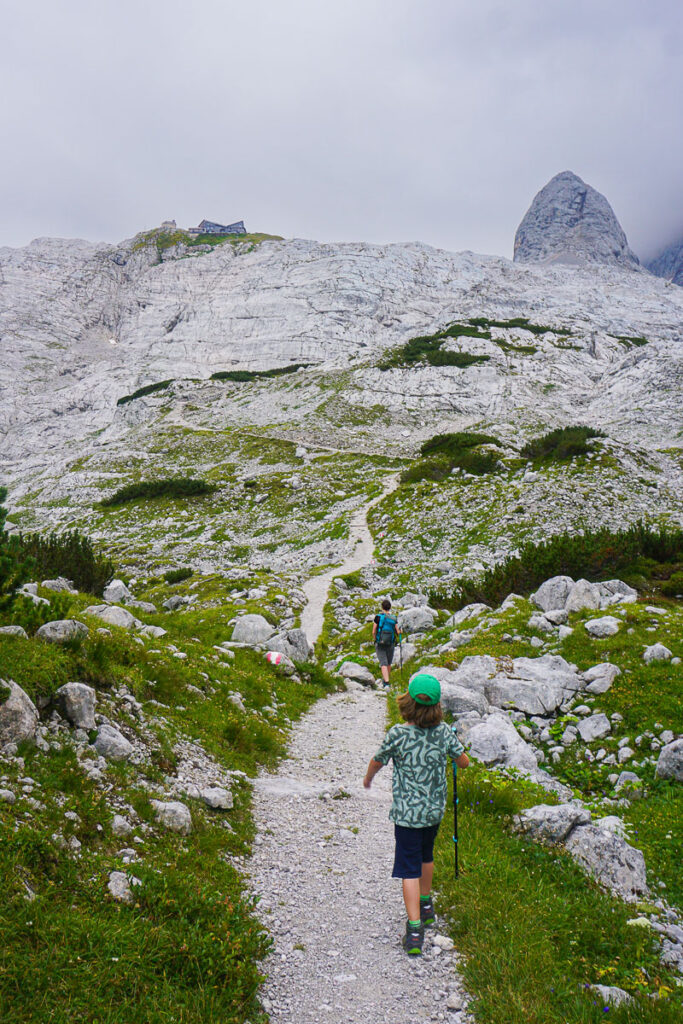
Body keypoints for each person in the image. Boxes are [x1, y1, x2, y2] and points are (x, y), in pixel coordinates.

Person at [363, 672, 470, 956]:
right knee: (427, 855)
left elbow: (378, 760)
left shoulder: (397, 734)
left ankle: (413, 931)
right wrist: (456, 750)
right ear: (437, 707)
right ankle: (426, 905)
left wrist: (368, 779)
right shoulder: (444, 732)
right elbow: (464, 762)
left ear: (407, 701)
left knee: (408, 869)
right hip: (433, 812)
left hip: (407, 815)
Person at [372, 598, 399, 688]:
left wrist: (376, 639)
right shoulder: (393, 618)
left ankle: (386, 683)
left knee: (383, 662)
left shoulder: (378, 617)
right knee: (388, 663)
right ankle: (386, 680)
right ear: (390, 608)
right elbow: (397, 632)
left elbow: (373, 631)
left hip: (380, 643)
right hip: (390, 643)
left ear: (382, 607)